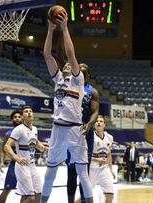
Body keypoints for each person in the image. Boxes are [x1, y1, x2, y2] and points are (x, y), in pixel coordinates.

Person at [41, 12, 93, 203]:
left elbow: (70, 54)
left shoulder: (78, 81)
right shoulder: (58, 80)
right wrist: (50, 30)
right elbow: (47, 55)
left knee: (82, 173)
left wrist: (64, 29)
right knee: (50, 172)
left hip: (74, 129)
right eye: (65, 65)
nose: (67, 66)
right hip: (58, 129)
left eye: (71, 66)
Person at [66, 52, 99, 203]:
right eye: (79, 69)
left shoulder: (92, 91)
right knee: (71, 171)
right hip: (70, 132)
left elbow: (95, 112)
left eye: (83, 71)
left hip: (86, 133)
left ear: (88, 76)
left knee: (84, 171)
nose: (80, 71)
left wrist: (89, 125)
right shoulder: (68, 85)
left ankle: (84, 201)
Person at [4, 106, 46, 203]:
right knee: (30, 197)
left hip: (32, 165)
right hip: (22, 166)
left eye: (30, 111)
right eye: (26, 112)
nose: (29, 113)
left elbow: (35, 143)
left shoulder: (35, 129)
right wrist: (16, 157)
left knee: (39, 194)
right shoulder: (19, 129)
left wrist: (45, 149)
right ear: (23, 116)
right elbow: (7, 146)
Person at [89, 116, 115, 203]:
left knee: (110, 195)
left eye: (101, 121)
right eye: (97, 121)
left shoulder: (110, 137)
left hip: (104, 170)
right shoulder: (90, 137)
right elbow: (84, 154)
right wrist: (97, 160)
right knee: (85, 197)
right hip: (92, 170)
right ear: (94, 124)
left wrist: (111, 169)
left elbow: (109, 154)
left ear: (104, 125)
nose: (99, 123)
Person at [0, 110, 22, 203]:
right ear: (12, 119)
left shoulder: (28, 131)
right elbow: (3, 149)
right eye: (15, 117)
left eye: (19, 117)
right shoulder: (8, 134)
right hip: (14, 164)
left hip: (26, 163)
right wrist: (1, 162)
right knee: (7, 189)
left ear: (22, 118)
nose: (17, 118)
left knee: (29, 191)